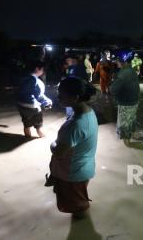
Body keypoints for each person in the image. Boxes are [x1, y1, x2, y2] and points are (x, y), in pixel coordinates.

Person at [46, 77, 98, 218]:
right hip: (82, 168)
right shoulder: (89, 112)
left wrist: (53, 144)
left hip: (72, 174)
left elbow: (59, 151)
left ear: (75, 98)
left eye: (61, 94)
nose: (58, 97)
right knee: (78, 201)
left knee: (78, 207)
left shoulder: (76, 125)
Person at [110, 52, 140, 145]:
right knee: (132, 119)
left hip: (126, 102)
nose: (116, 63)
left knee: (124, 123)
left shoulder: (123, 74)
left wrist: (110, 87)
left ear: (123, 61)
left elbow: (113, 89)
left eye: (118, 61)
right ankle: (134, 134)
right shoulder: (131, 70)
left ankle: (127, 142)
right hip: (134, 100)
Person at [17, 61, 53, 138]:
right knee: (38, 120)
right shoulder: (35, 80)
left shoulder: (22, 77)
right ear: (37, 69)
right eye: (42, 70)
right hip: (32, 105)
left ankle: (27, 135)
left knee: (26, 122)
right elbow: (39, 95)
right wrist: (47, 102)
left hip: (20, 104)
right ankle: (40, 133)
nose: (43, 72)